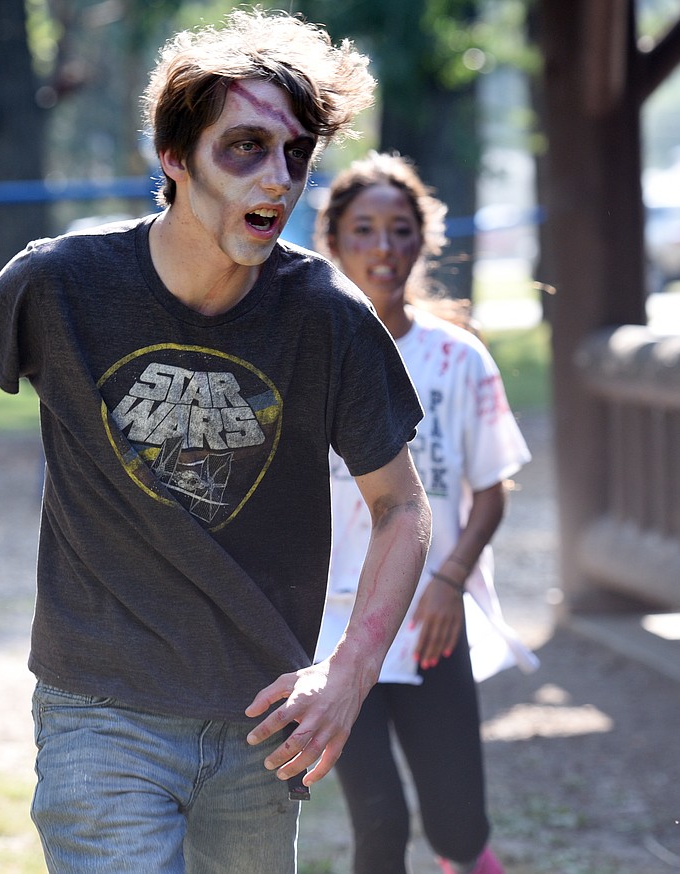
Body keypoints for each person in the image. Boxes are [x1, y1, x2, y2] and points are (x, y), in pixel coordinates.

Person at [0, 11, 433, 873]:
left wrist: (351, 669)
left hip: (261, 713)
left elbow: (400, 505)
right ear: (174, 158)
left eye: (296, 155)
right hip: (99, 710)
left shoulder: (327, 317)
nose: (278, 179)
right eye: (244, 148)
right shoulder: (60, 284)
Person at [312, 151, 537, 874]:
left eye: (401, 230)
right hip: (338, 633)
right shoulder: (307, 354)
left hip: (435, 623)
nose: (384, 248)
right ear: (335, 241)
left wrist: (450, 581)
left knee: (458, 830)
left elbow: (493, 488)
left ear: (423, 240)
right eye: (365, 230)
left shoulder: (458, 358)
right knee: (380, 822)